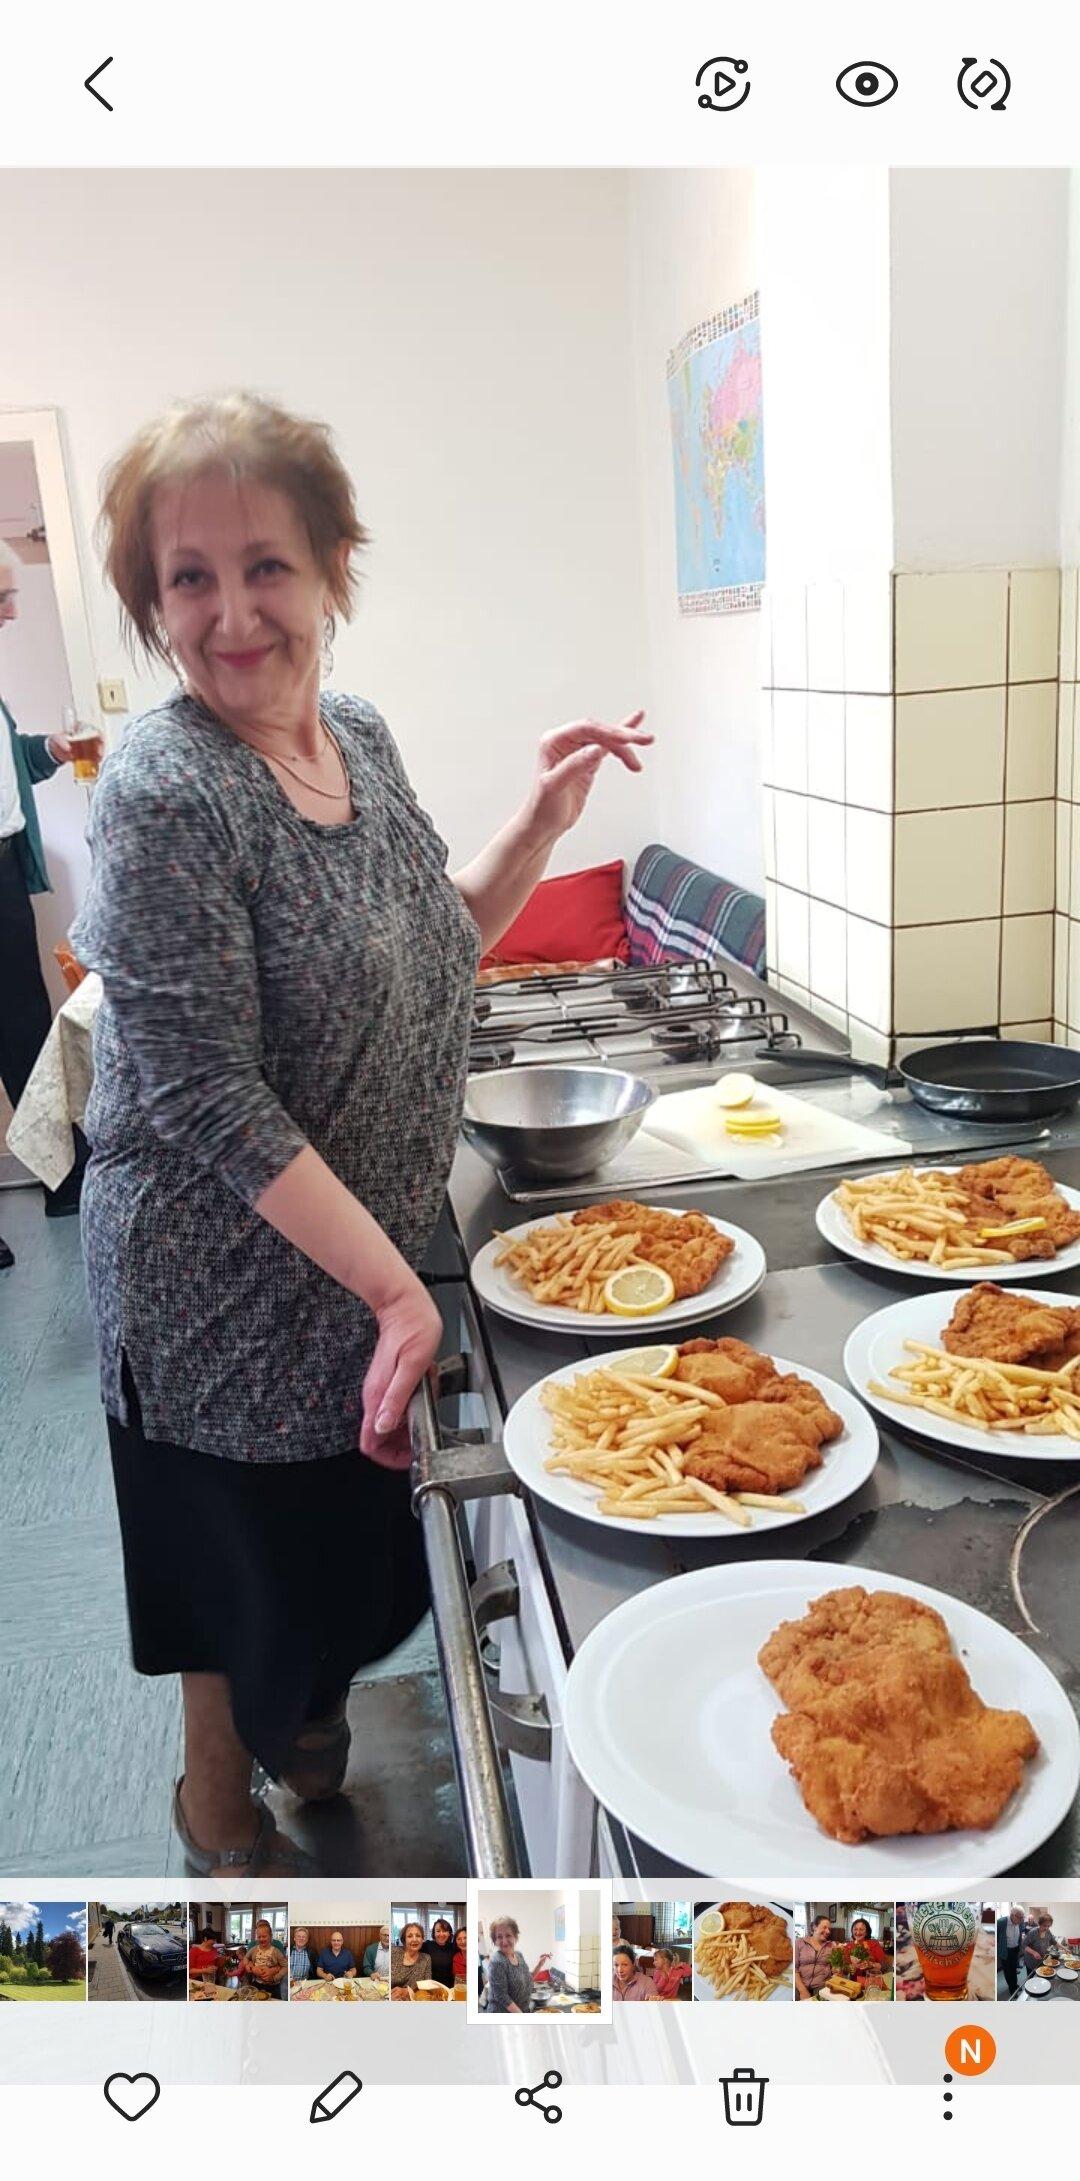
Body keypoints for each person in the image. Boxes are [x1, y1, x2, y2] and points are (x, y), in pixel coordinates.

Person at [71, 391, 650, 1878]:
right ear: (151, 606)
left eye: (265, 563)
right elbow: (201, 1088)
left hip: (358, 1253)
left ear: (335, 567)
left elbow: (430, 946)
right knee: (235, 1580)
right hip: (218, 1284)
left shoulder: (362, 735)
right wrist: (398, 1284)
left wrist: (534, 828)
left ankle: (306, 1726)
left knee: (336, 1545)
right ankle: (215, 1811)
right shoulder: (164, 790)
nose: (230, 610)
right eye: (187, 577)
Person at [0, 547, 100, 1266]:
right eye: (3, 595)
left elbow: (5, 764)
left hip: (3, 868)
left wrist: (48, 749)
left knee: (26, 1018)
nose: (11, 608)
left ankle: (64, 1178)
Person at [484, 1917, 551, 2014]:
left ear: (515, 1936)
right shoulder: (497, 1962)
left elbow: (529, 1978)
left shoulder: (519, 1955)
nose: (504, 1941)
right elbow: (502, 1996)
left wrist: (539, 1965)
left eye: (508, 1935)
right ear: (495, 1940)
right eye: (499, 1937)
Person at [238, 1918, 286, 1998]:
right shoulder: (254, 1949)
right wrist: (248, 1966)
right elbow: (246, 1957)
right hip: (257, 1983)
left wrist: (275, 1978)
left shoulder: (276, 1951)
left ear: (270, 1936)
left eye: (264, 1936)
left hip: (273, 1985)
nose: (261, 1939)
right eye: (259, 1937)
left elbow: (285, 1966)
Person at [794, 1914, 836, 2001]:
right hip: (800, 1984)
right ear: (814, 1927)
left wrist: (837, 1970)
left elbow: (835, 1969)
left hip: (822, 1985)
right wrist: (802, 1990)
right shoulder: (799, 1942)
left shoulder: (831, 1946)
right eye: (824, 1927)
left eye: (829, 1929)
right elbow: (794, 1968)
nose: (828, 1931)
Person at [390, 1921, 431, 2000]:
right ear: (404, 1940)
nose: (414, 1939)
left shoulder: (426, 1958)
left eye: (418, 1936)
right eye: (409, 1936)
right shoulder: (394, 1952)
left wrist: (408, 1991)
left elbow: (427, 1984)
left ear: (422, 1939)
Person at [998, 1907, 1025, 1996]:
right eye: (1020, 1917)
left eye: (1022, 1917)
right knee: (1008, 1971)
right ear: (1012, 1915)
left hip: (1015, 1949)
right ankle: (1012, 1989)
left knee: (1014, 1969)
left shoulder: (1020, 1923)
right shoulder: (1001, 1922)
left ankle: (1015, 1985)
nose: (1021, 1920)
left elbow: (1020, 1935)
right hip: (1005, 1951)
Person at [1022, 1914, 1058, 1979]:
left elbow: (1054, 1942)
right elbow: (1024, 1944)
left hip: (1041, 1959)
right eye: (1044, 1925)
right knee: (1032, 1977)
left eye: (1048, 1926)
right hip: (1031, 1960)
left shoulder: (1048, 1932)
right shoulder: (1033, 1933)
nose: (1046, 1928)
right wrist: (1034, 1952)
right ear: (1039, 1924)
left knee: (1041, 1975)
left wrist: (1066, 1949)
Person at [425, 1917, 456, 1990]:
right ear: (434, 1933)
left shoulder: (454, 1947)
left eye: (445, 1931)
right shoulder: (427, 1945)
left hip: (450, 1989)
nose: (441, 1934)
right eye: (438, 1931)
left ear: (449, 1933)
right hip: (432, 1988)